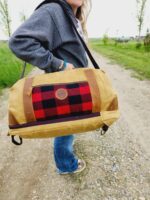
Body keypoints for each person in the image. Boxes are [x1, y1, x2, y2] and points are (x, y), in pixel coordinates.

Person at [8, 0, 92, 174]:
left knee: (68, 124)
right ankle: (66, 165)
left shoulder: (70, 16)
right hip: (63, 86)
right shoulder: (54, 10)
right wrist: (59, 64)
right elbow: (19, 41)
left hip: (72, 84)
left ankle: (65, 158)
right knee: (65, 126)